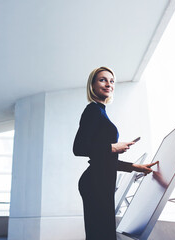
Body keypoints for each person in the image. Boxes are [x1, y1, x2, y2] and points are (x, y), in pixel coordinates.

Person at [73, 66, 157, 240]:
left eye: (111, 81)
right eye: (102, 80)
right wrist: (113, 147)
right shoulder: (93, 110)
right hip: (95, 182)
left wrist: (136, 167)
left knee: (102, 234)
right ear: (92, 85)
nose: (108, 84)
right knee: (101, 235)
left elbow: (102, 159)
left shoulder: (101, 112)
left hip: (101, 180)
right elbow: (78, 148)